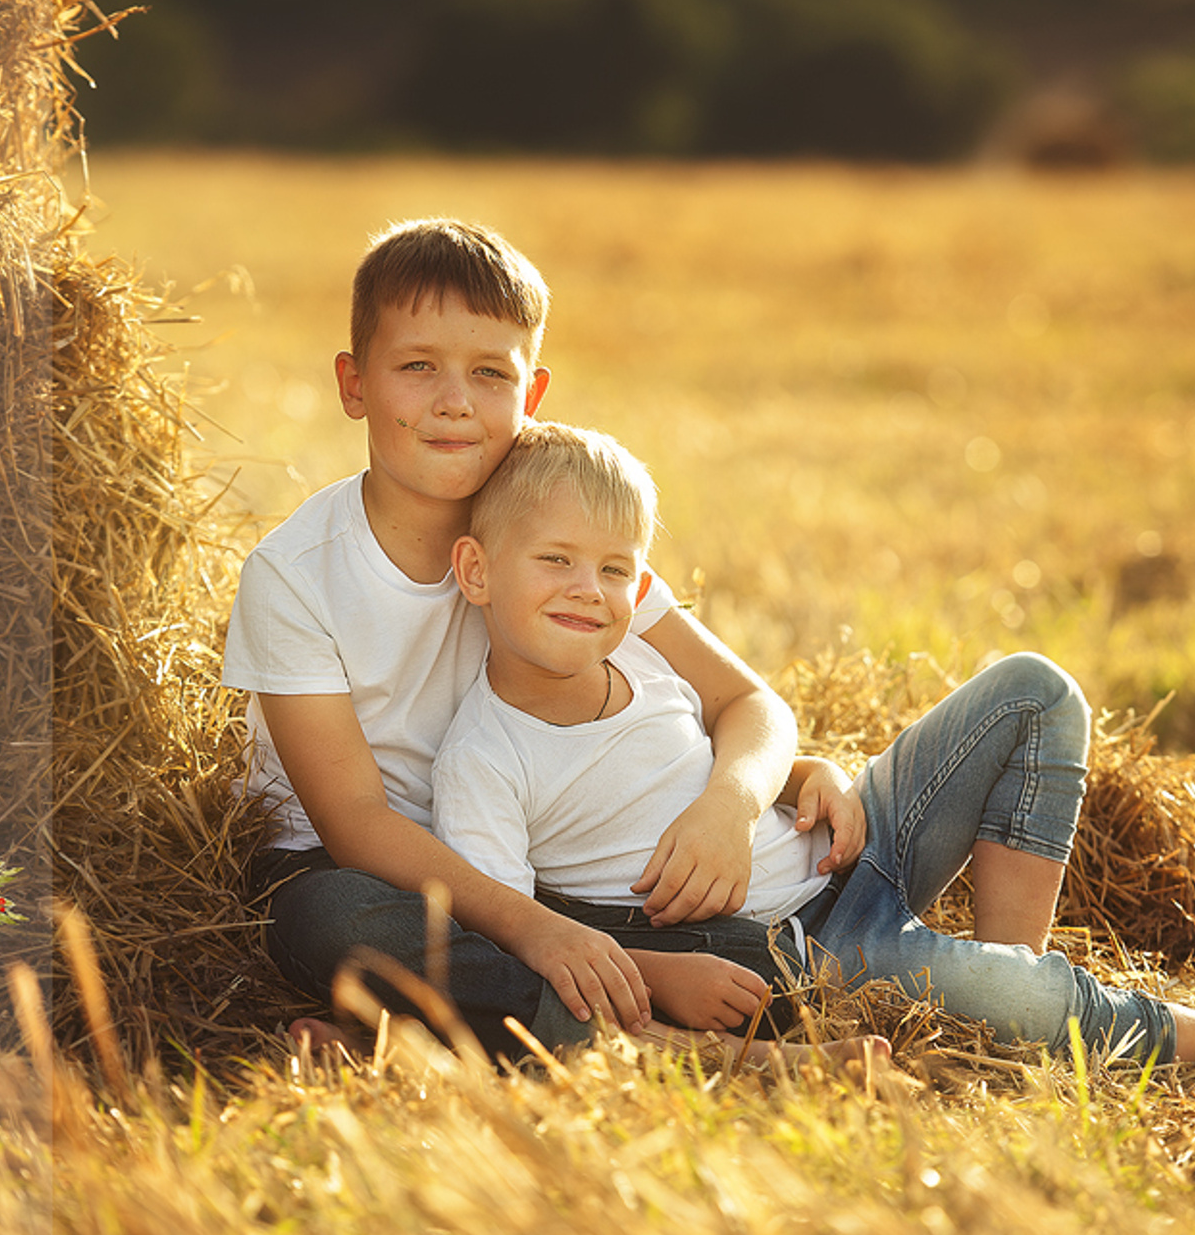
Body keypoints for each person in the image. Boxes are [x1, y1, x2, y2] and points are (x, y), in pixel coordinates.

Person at [222, 218, 829, 1062]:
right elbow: (358, 819)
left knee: (731, 946)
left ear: (531, 395)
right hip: (366, 868)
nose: (453, 401)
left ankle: (424, 1028)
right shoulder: (293, 575)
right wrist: (536, 931)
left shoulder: (550, 521)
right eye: (417, 366)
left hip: (531, 857)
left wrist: (750, 793)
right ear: (354, 384)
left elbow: (741, 698)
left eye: (488, 374)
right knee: (328, 918)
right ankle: (676, 1044)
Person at [433, 421, 1195, 1065]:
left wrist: (778, 784)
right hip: (815, 952)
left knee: (1036, 691)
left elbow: (745, 715)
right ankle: (1083, 1015)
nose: (588, 589)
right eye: (555, 560)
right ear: (477, 571)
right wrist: (658, 974)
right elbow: (514, 944)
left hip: (850, 844)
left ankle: (1004, 976)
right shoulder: (486, 760)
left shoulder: (639, 648)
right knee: (1027, 999)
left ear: (641, 586)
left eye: (614, 570)